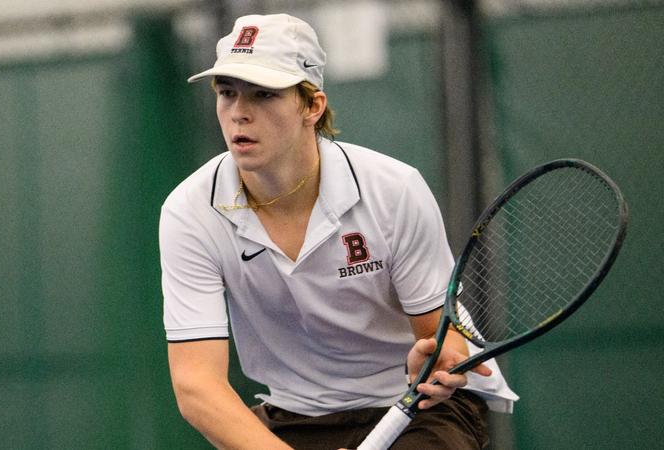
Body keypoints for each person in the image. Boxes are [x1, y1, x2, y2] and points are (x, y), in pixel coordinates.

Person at [160, 13, 517, 450]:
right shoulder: (188, 212)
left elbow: (438, 338)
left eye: (264, 94)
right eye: (227, 92)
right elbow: (197, 385)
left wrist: (444, 359)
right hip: (292, 419)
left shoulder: (394, 190)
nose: (239, 113)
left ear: (312, 106)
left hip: (416, 410)